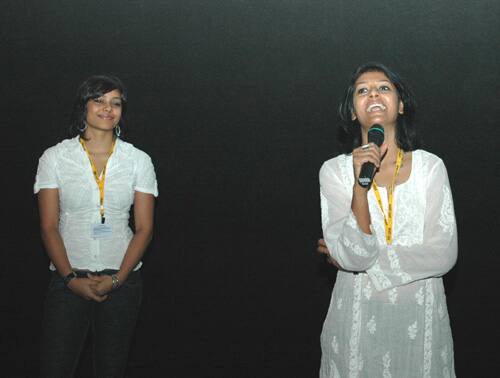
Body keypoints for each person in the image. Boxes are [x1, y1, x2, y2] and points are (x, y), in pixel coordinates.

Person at [317, 62, 457, 377]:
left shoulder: (430, 168)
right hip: (354, 326)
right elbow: (354, 254)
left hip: (421, 329)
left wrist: (356, 259)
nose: (374, 94)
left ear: (401, 104)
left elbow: (444, 254)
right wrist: (358, 186)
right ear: (353, 111)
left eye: (384, 87)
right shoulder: (334, 172)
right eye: (362, 90)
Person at [34, 75, 158, 377]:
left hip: (122, 283)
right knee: (55, 368)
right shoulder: (55, 157)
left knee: (111, 369)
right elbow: (49, 226)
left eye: (115, 103)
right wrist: (70, 279)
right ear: (84, 106)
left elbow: (144, 228)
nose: (108, 108)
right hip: (68, 281)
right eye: (99, 100)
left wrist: (116, 280)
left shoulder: (138, 160)